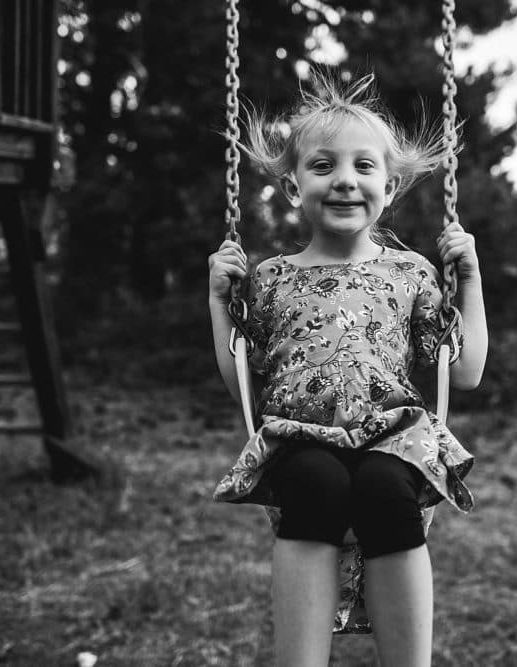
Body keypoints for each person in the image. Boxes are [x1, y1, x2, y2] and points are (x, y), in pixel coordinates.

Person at [207, 71, 487, 667]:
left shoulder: (410, 274)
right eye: (323, 165)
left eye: (364, 166)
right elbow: (245, 386)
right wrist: (217, 303)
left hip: (394, 436)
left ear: (389, 185)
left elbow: (462, 375)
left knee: (387, 492)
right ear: (292, 185)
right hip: (301, 435)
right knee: (317, 484)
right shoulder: (270, 278)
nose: (344, 180)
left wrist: (471, 282)